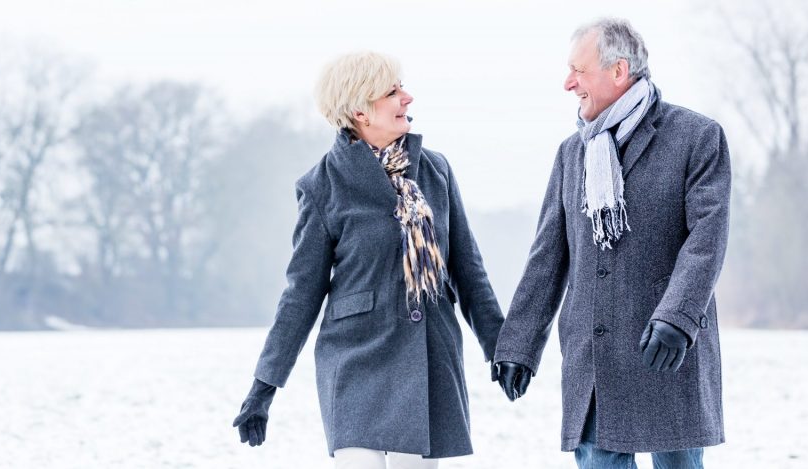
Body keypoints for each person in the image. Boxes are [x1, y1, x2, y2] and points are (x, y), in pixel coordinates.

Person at [232, 51, 505, 469]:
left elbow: (467, 271)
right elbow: (301, 294)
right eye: (393, 92)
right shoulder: (322, 185)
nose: (408, 98)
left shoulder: (435, 171)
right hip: (356, 359)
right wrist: (263, 387)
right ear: (359, 109)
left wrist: (501, 348)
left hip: (426, 358)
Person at [492, 18, 730, 469]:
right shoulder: (573, 153)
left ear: (618, 71)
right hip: (595, 357)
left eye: (578, 71)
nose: (568, 83)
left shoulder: (696, 138)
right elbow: (548, 256)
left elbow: (707, 240)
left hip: (665, 349)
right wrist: (518, 344)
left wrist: (678, 318)